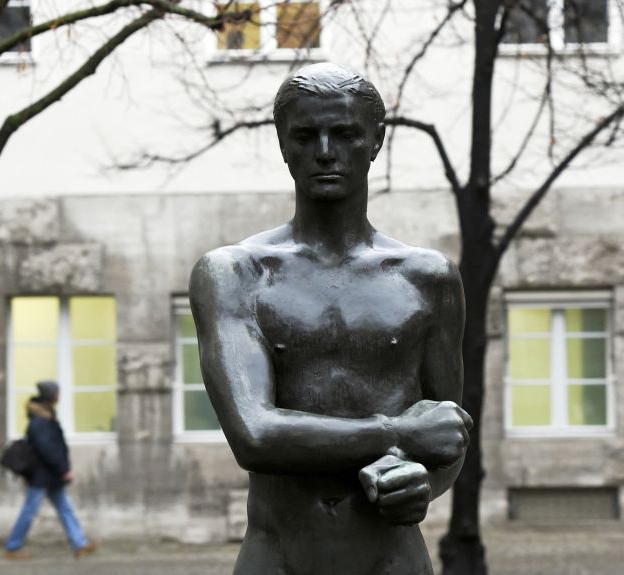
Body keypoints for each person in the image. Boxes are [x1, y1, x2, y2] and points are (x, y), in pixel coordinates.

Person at [189, 62, 473, 575]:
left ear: (375, 141)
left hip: (392, 557)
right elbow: (253, 434)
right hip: (278, 557)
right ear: (282, 143)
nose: (324, 151)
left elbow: (446, 438)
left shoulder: (427, 279)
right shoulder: (236, 274)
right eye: (305, 135)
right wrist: (400, 435)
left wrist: (421, 485)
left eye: (343, 133)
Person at [4, 380, 97, 559]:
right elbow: (48, 449)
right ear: (50, 396)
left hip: (47, 474)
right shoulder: (41, 421)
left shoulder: (44, 417)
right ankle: (13, 547)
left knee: (64, 507)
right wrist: (63, 469)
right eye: (57, 392)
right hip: (43, 474)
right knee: (31, 510)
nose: (59, 396)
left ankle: (79, 544)